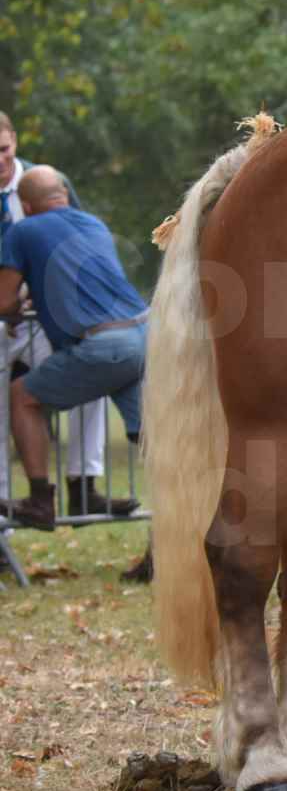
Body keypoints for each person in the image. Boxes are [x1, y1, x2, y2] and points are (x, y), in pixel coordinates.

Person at [0, 166, 149, 532]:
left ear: (26, 204)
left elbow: (3, 300)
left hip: (104, 345)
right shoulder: (94, 224)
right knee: (152, 443)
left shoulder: (23, 230)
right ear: (64, 195)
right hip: (144, 335)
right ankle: (167, 532)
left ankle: (39, 500)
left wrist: (16, 307)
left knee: (22, 397)